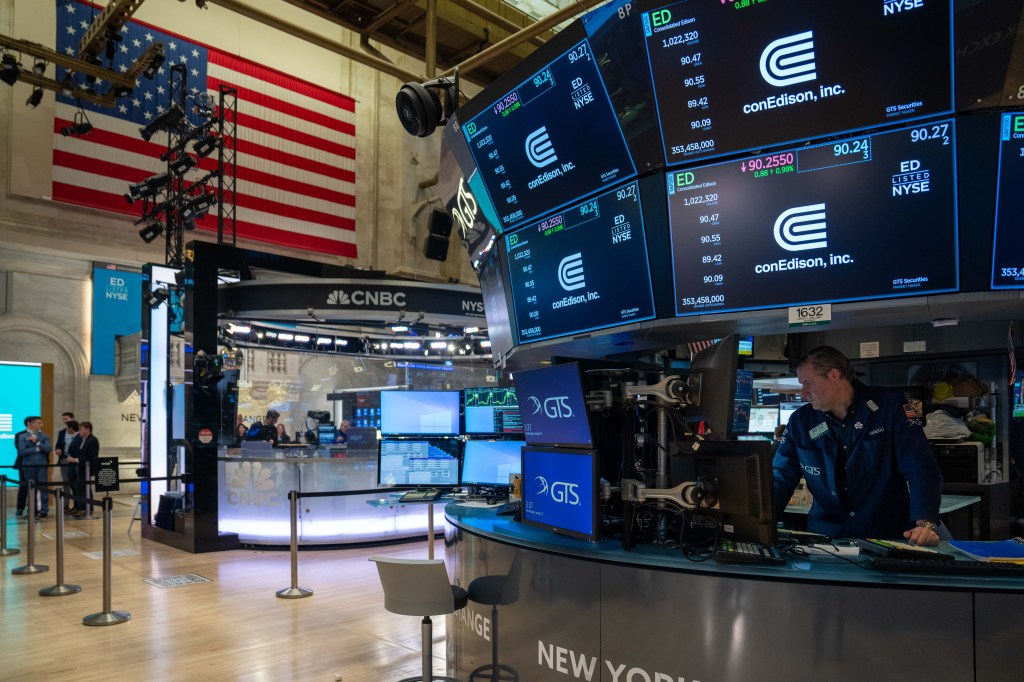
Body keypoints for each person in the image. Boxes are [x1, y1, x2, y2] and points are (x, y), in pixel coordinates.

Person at [772, 346, 944, 545]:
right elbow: (780, 477)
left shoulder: (890, 405)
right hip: (825, 538)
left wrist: (925, 524)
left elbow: (920, 467)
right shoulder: (801, 421)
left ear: (834, 375)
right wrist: (759, 522)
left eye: (808, 383)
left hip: (884, 535)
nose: (804, 393)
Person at [16, 416, 52, 518]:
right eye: (39, 423)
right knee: (31, 489)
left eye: (41, 423)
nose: (41, 425)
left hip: (41, 465)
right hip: (28, 465)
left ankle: (44, 510)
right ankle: (32, 510)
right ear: (31, 424)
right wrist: (37, 449)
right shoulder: (22, 436)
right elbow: (22, 451)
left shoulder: (44, 436)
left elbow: (48, 448)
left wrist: (37, 442)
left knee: (44, 488)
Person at [68, 421, 99, 517]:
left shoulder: (92, 440)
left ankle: (88, 509)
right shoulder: (84, 439)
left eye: (81, 429)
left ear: (88, 429)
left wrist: (76, 459)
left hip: (87, 468)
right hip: (81, 467)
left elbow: (91, 456)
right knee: (80, 489)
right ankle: (82, 508)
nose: (79, 431)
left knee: (85, 489)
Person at [55, 416, 80, 510]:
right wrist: (57, 448)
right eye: (63, 419)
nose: (64, 421)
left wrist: (75, 459)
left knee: (75, 483)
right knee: (66, 482)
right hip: (64, 458)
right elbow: (59, 443)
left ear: (73, 419)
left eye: (66, 419)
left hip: (74, 460)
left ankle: (78, 505)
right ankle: (66, 504)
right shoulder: (62, 432)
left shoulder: (78, 435)